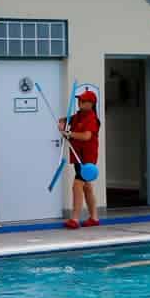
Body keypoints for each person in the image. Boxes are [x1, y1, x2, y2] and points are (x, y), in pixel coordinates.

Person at [63, 88, 102, 230]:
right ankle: (94, 217)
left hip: (87, 158)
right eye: (79, 100)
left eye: (83, 101)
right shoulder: (78, 116)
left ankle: (74, 218)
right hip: (78, 156)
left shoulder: (91, 118)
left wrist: (70, 133)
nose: (80, 102)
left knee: (77, 186)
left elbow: (86, 136)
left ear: (91, 104)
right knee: (87, 188)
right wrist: (62, 124)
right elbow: (64, 121)